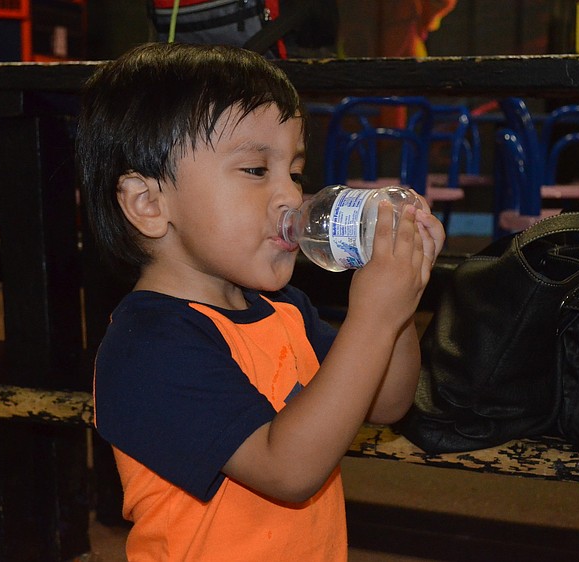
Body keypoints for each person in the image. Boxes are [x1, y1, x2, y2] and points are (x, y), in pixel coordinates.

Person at [76, 42, 445, 561]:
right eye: (255, 170)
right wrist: (374, 317)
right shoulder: (148, 345)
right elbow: (287, 469)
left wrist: (398, 307)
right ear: (149, 203)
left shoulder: (284, 309)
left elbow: (386, 401)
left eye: (294, 172)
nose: (292, 197)